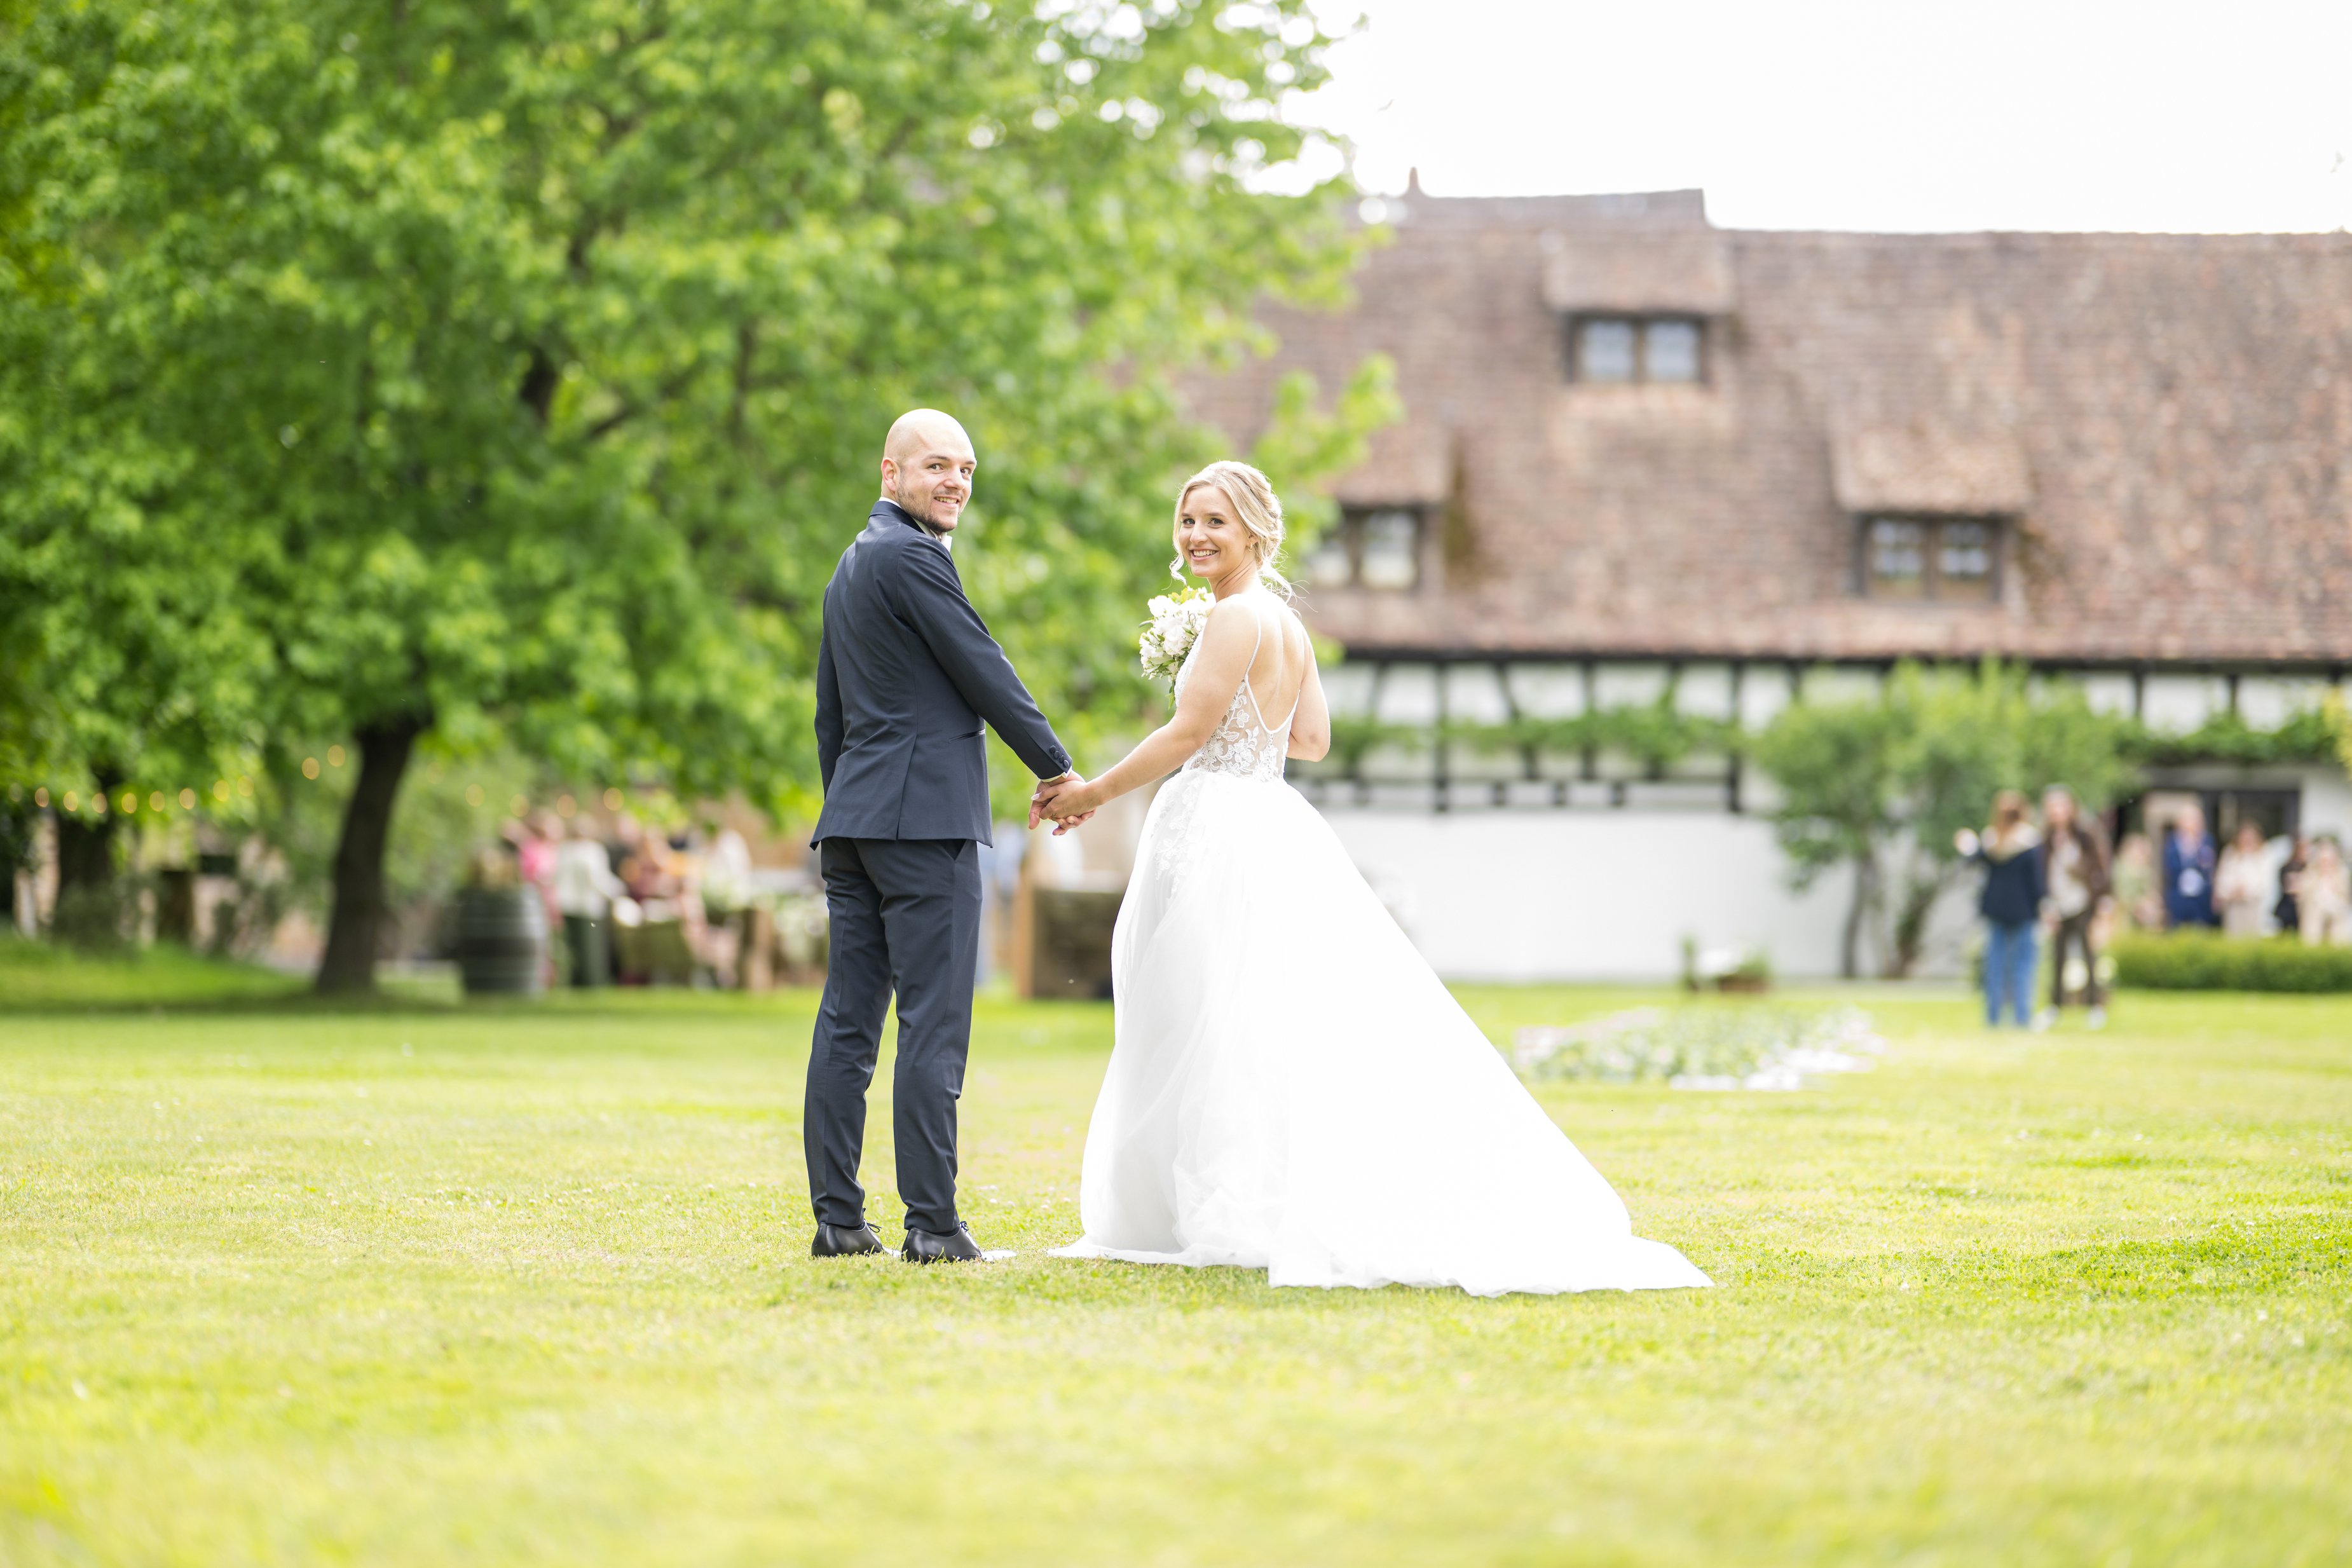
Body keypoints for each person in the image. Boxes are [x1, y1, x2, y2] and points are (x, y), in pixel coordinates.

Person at [1030, 461, 1706, 1296]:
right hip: (1269, 818)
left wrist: (1092, 791)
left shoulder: (1235, 619)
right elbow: (1310, 737)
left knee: (1200, 1009)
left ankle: (1210, 1202)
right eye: (1188, 521)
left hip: (1212, 824)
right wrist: (1244, 722)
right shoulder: (1283, 621)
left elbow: (1185, 731)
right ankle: (1228, 1191)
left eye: (1215, 521)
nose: (1196, 535)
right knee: (1241, 1011)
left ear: (1254, 531)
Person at [803, 409, 1083, 1265]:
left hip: (856, 821)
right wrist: (1057, 766)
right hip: (922, 825)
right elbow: (983, 664)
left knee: (850, 1020)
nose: (955, 482)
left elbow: (830, 713)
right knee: (933, 1023)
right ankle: (932, 1224)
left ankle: (839, 1220)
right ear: (890, 472)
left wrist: (848, 804)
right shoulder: (914, 556)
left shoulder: (852, 565)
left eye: (965, 469)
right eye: (935, 466)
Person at [1956, 791, 2045, 1029]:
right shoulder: (2030, 842)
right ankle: (2022, 1016)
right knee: (2022, 964)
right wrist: (2043, 905)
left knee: (1995, 965)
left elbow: (1972, 861)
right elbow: (2036, 882)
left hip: (1995, 909)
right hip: (2024, 910)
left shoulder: (1991, 841)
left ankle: (1993, 1017)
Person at [2038, 786, 2110, 1030]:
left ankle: (2095, 1006)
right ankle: (2054, 1006)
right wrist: (2046, 906)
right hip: (2058, 905)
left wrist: (2103, 901)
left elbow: (2099, 869)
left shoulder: (2085, 836)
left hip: (2082, 903)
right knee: (2057, 957)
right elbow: (2043, 875)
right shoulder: (2046, 839)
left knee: (2089, 955)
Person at [552, 817, 625, 987]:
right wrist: (617, 892)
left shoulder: (565, 849)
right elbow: (597, 879)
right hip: (585, 907)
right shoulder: (589, 850)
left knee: (580, 946)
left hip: (574, 906)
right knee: (587, 948)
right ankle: (589, 980)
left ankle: (582, 981)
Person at [2213, 821, 2276, 939]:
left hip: (2254, 905)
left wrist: (2247, 890)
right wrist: (2232, 890)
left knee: (2252, 938)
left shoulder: (2263, 854)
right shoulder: (2230, 853)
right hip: (2234, 904)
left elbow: (2266, 882)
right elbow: (2222, 878)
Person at [2162, 802, 2217, 929]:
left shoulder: (2206, 840)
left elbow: (2209, 867)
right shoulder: (2173, 841)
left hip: (2201, 897)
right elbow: (2170, 869)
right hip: (2179, 895)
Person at [2299, 837, 2351, 946]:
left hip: (2336, 910)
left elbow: (2345, 895)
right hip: (2316, 909)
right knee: (2313, 922)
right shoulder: (2312, 873)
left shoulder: (2341, 874)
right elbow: (2305, 894)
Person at [2110, 831, 2160, 931]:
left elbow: (2149, 890)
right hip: (2126, 914)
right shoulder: (2122, 869)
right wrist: (2139, 904)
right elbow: (2121, 894)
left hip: (2144, 915)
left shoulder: (2146, 871)